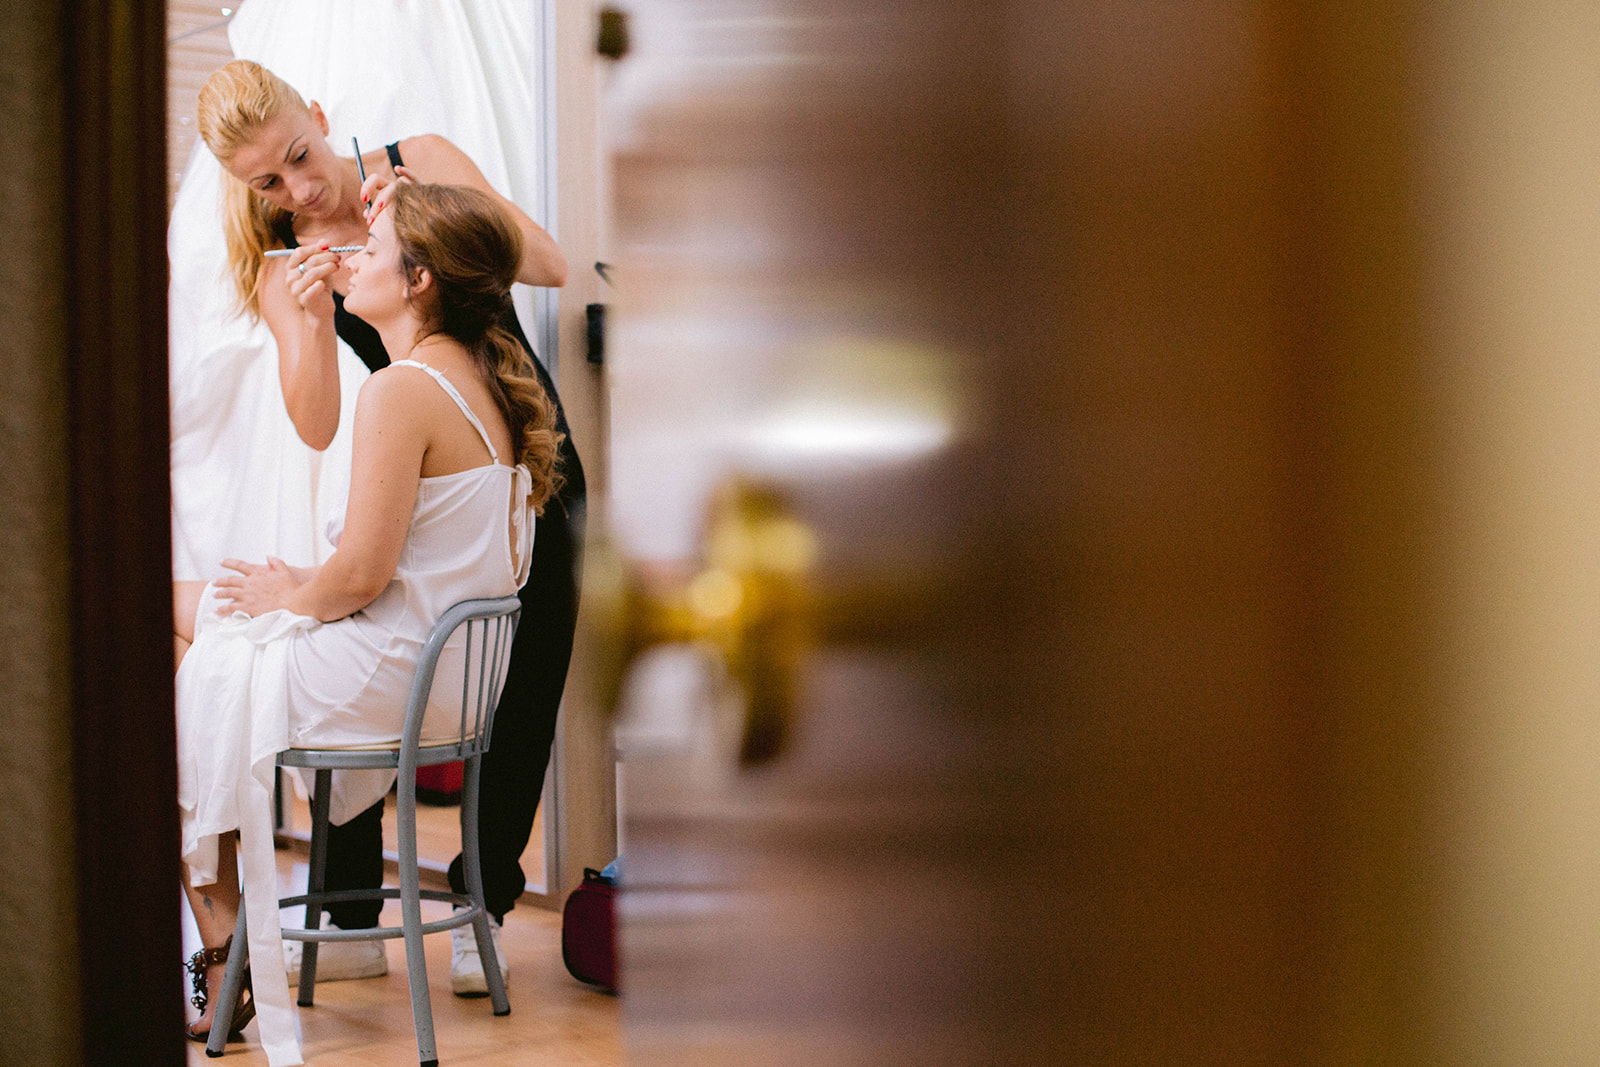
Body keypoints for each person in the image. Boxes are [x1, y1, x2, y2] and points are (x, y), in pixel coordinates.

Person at [192, 58, 585, 996]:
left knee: (522, 687)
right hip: (421, 478)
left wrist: (435, 205)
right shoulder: (283, 261)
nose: (299, 189)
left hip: (532, 455)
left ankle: (479, 904)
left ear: (318, 115)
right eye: (269, 184)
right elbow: (321, 422)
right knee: (354, 634)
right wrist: (309, 316)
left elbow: (553, 265)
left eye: (298, 155)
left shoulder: (420, 157)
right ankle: (348, 913)